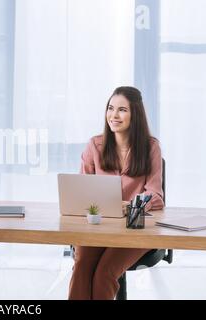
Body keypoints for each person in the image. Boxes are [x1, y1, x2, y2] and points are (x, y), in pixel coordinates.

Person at [68, 86, 164, 300]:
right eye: (111, 108)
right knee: (82, 266)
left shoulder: (151, 148)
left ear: (135, 115)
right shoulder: (95, 145)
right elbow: (81, 190)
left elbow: (156, 196)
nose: (114, 115)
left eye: (122, 110)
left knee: (104, 273)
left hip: (135, 230)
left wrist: (133, 205)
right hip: (99, 227)